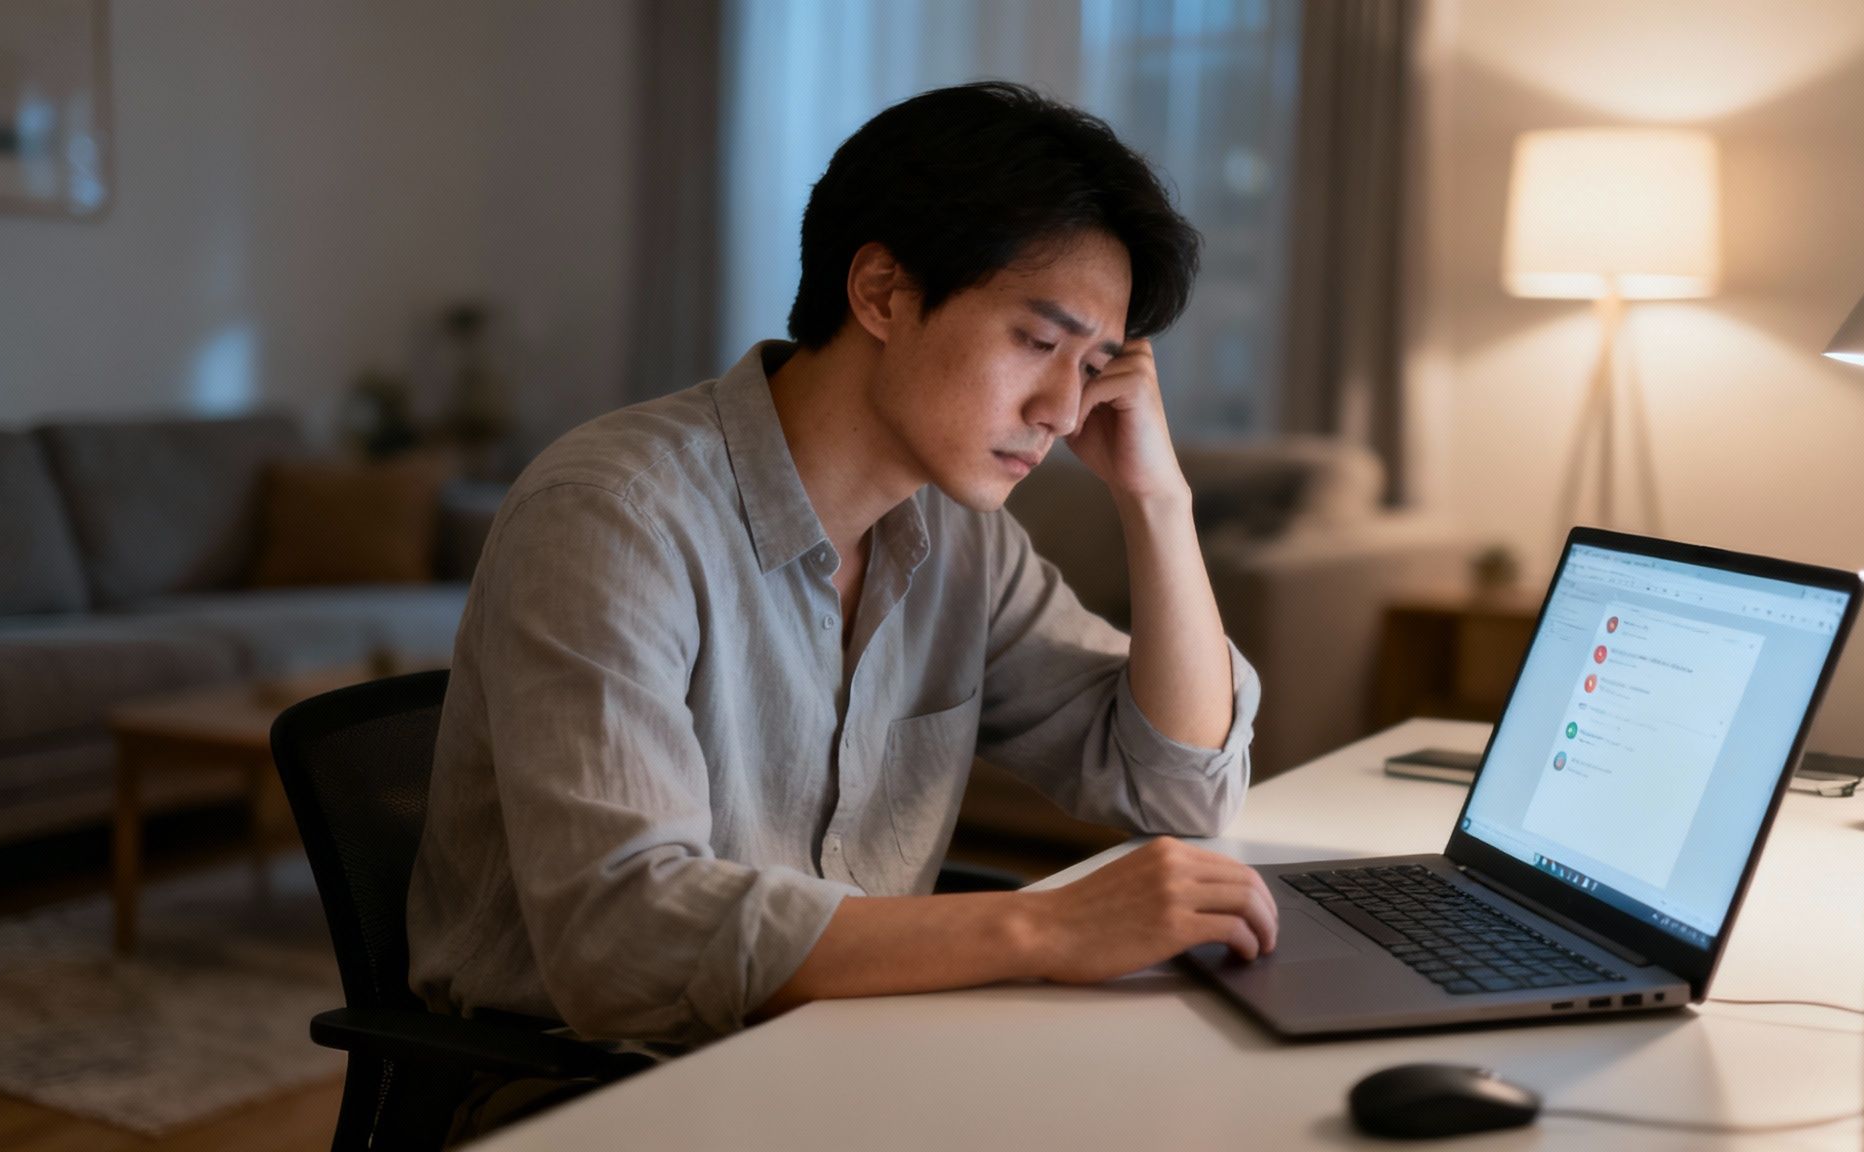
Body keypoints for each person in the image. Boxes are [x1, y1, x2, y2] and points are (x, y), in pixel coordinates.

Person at [405, 82, 1278, 1070]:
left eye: (1092, 368)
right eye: (1037, 343)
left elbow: (1175, 790)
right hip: (596, 1085)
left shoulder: (956, 538)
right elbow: (622, 937)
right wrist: (1040, 929)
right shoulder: (614, 513)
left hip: (852, 1047)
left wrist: (1157, 504)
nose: (1063, 412)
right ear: (881, 294)